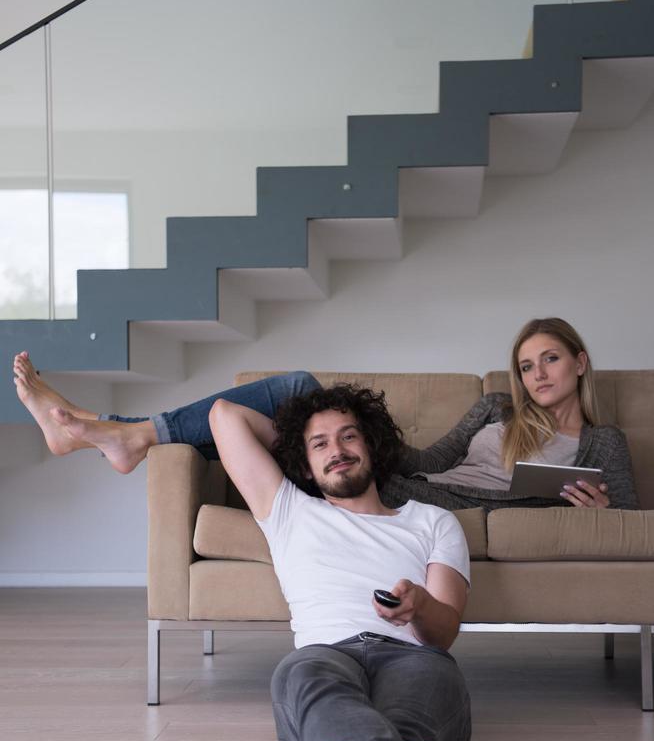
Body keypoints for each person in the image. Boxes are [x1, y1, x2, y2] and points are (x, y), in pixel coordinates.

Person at [208, 381, 472, 741]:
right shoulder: (288, 509)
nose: (338, 451)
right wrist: (294, 440)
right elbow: (224, 415)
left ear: (372, 445)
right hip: (325, 655)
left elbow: (444, 636)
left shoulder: (433, 522)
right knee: (303, 674)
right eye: (321, 444)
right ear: (302, 465)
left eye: (351, 437)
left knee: (423, 688)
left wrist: (419, 606)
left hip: (413, 657)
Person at [12, 316, 639, 508]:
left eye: (550, 360)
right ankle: (130, 435)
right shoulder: (496, 407)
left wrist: (602, 513)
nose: (537, 375)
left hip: (431, 506)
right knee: (299, 388)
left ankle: (123, 434)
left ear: (580, 363)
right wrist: (367, 437)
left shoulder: (603, 442)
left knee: (279, 404)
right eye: (528, 365)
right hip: (402, 479)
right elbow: (434, 461)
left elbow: (636, 519)